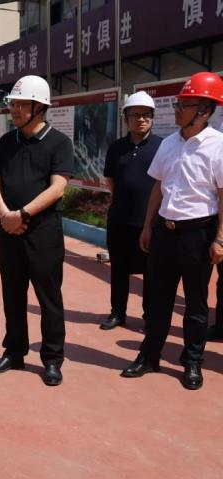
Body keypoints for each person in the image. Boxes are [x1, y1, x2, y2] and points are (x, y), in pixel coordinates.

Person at [121, 72, 223, 390]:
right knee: (158, 299)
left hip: (198, 236)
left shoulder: (218, 146)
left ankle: (192, 362)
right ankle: (149, 356)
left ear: (204, 110)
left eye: (184, 105)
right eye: (178, 104)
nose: (176, 110)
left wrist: (220, 239)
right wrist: (148, 226)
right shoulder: (168, 143)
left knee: (195, 305)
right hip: (165, 233)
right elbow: (158, 187)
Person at [0, 75, 74, 387]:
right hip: (8, 230)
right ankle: (14, 351)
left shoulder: (59, 143)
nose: (15, 110)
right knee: (12, 294)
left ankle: (52, 359)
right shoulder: (7, 142)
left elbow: (58, 187)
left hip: (43, 233)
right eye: (14, 104)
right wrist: (5, 215)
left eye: (22, 105)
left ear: (40, 108)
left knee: (49, 297)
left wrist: (22, 214)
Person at [100, 92, 162, 330]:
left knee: (152, 272)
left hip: (150, 222)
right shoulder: (117, 147)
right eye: (135, 115)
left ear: (152, 118)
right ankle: (117, 312)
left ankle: (150, 315)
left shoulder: (162, 146)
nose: (141, 119)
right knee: (118, 268)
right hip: (120, 220)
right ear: (126, 118)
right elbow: (111, 180)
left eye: (146, 115)